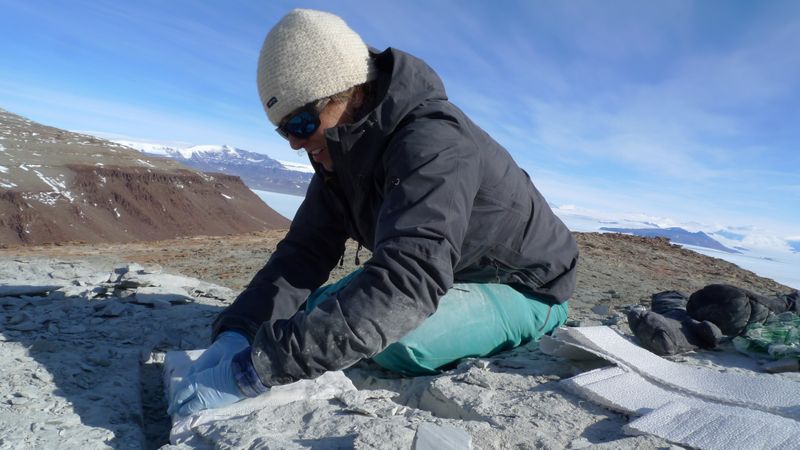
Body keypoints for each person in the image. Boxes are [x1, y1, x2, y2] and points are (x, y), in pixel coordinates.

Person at [169, 8, 579, 417]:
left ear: (347, 91)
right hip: (447, 268)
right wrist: (239, 330)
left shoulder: (433, 143)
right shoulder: (340, 154)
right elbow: (302, 253)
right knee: (318, 316)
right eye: (283, 129)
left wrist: (254, 372)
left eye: (301, 122)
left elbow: (407, 287)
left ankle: (531, 321)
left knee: (398, 339)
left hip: (526, 287)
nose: (294, 143)